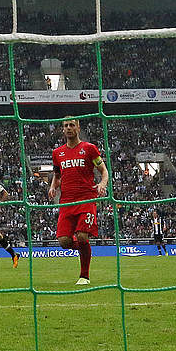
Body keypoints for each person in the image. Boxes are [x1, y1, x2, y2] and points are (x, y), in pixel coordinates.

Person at [50, 118, 109, 285]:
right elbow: (57, 175)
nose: (69, 128)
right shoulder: (57, 153)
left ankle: (84, 276)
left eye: (71, 125)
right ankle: (86, 249)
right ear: (62, 129)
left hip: (86, 198)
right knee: (64, 242)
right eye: (65, 126)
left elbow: (104, 171)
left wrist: (102, 183)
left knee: (82, 236)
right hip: (66, 201)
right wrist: (53, 186)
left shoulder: (89, 149)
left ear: (78, 128)